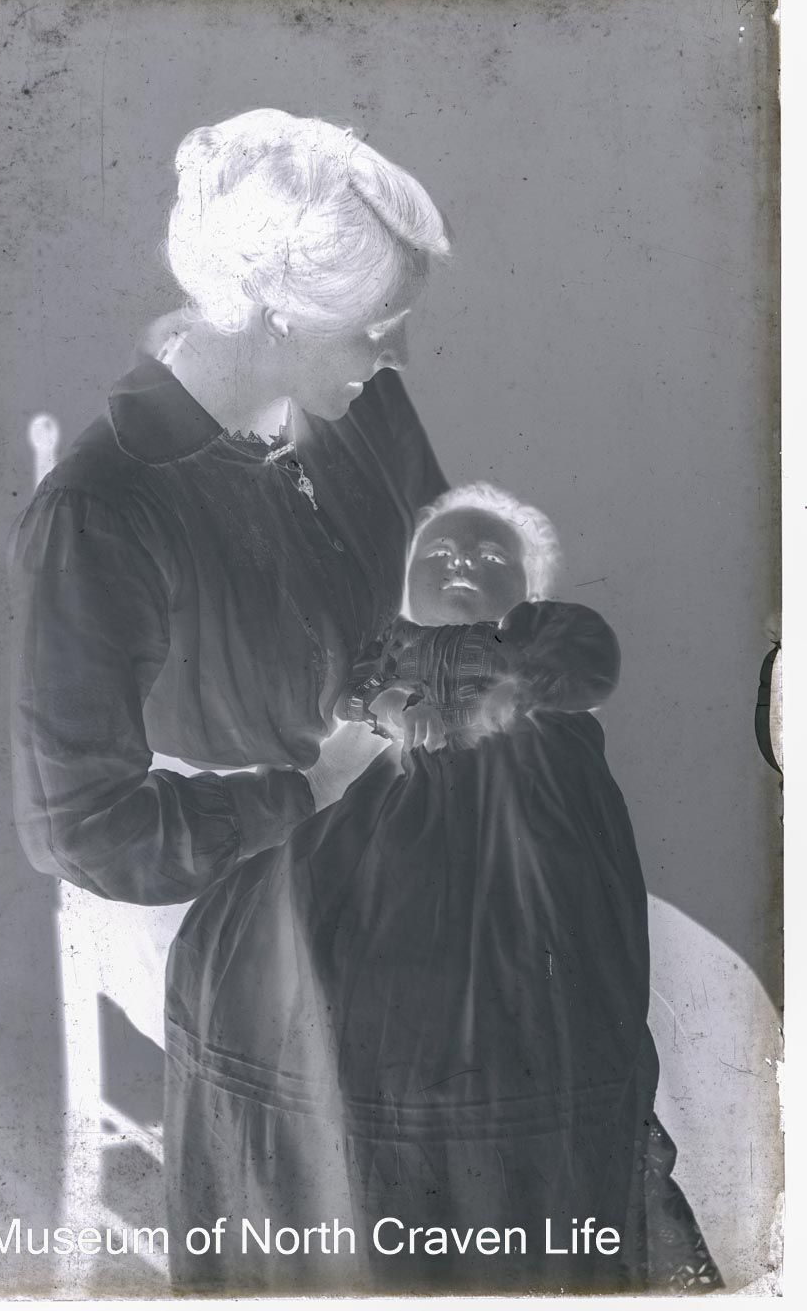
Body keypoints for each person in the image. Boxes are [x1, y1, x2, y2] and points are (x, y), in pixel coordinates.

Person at [7, 106, 450, 1254]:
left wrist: (454, 673)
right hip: (214, 880)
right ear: (273, 313)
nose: (396, 356)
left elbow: (440, 577)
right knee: (461, 1052)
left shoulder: (363, 405)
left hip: (391, 829)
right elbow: (79, 824)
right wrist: (309, 792)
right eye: (374, 328)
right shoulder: (106, 507)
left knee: (606, 978)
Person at [165, 483, 724, 1294]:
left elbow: (589, 665)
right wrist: (392, 703)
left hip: (520, 806)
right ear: (406, 577)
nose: (462, 563)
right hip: (394, 804)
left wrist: (515, 688)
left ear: (528, 591)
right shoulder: (389, 642)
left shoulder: (526, 640)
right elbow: (351, 691)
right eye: (440, 552)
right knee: (322, 911)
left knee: (530, 949)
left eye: (492, 555)